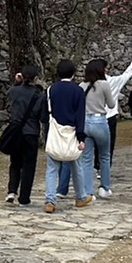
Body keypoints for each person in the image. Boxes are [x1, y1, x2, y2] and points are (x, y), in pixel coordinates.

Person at [43, 58, 87, 212]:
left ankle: (50, 200)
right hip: (72, 133)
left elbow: (45, 114)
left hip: (55, 131)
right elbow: (80, 116)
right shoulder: (78, 91)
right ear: (74, 74)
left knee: (52, 169)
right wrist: (81, 137)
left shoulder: (51, 90)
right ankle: (81, 197)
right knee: (76, 166)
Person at [98, 51, 132, 197]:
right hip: (109, 116)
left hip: (94, 117)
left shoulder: (89, 84)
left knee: (95, 147)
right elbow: (126, 76)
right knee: (108, 147)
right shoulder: (112, 82)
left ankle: (98, 167)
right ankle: (104, 171)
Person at [4, 65, 46, 205]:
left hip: (16, 132)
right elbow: (43, 117)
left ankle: (11, 191)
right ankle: (24, 196)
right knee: (29, 165)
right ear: (35, 78)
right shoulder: (39, 95)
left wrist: (17, 82)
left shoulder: (14, 91)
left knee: (15, 162)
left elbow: (8, 95)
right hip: (31, 132)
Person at [77, 59, 113, 204]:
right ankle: (104, 187)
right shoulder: (104, 85)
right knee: (104, 156)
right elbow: (111, 104)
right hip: (100, 121)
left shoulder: (81, 85)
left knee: (86, 159)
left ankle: (88, 191)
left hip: (85, 122)